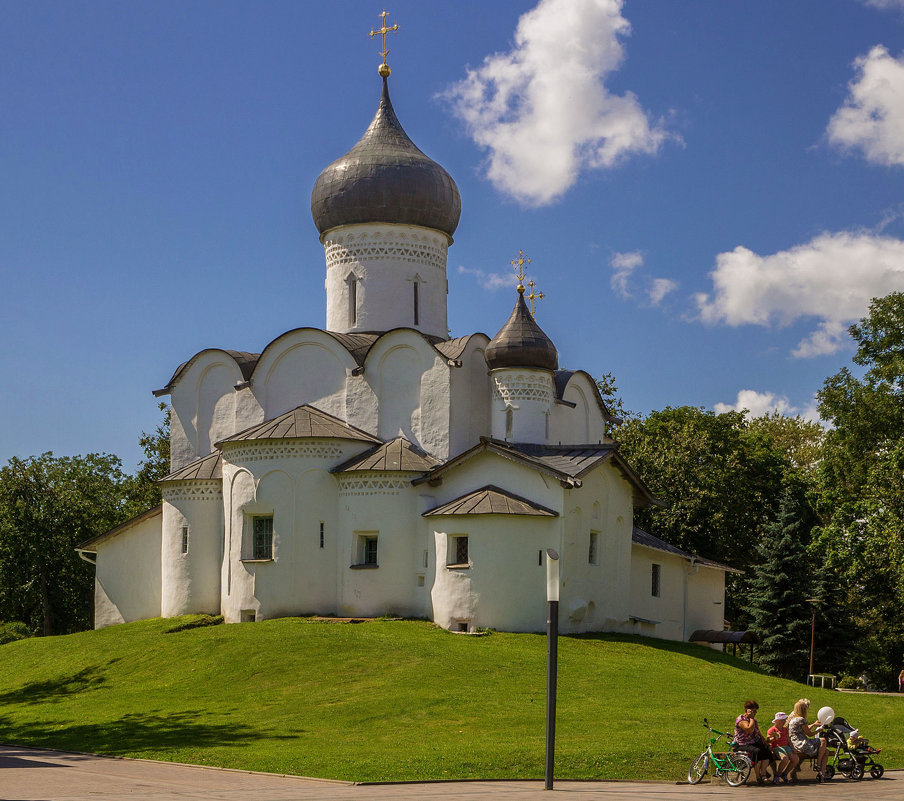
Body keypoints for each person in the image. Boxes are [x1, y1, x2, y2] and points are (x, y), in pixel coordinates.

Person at [787, 698, 829, 782]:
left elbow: (803, 729)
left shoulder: (793, 718)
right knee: (823, 740)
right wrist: (818, 730)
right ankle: (818, 764)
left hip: (795, 743)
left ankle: (822, 775)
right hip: (802, 744)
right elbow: (809, 734)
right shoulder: (801, 719)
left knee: (826, 751)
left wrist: (813, 724)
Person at [734, 700, 774, 785]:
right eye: (753, 711)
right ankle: (758, 777)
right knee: (757, 753)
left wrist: (766, 743)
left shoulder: (754, 720)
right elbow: (749, 730)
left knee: (767, 752)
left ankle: (763, 776)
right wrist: (751, 718)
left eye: (756, 711)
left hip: (752, 742)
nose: (755, 713)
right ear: (747, 710)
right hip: (742, 744)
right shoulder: (741, 719)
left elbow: (758, 732)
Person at [767, 712, 799, 784]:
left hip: (786, 747)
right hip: (777, 747)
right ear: (777, 721)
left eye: (784, 720)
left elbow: (788, 740)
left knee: (796, 759)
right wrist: (774, 738)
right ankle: (777, 775)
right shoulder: (772, 730)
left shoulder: (785, 729)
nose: (784, 721)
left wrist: (793, 748)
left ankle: (784, 773)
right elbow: (768, 740)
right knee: (785, 759)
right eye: (782, 720)